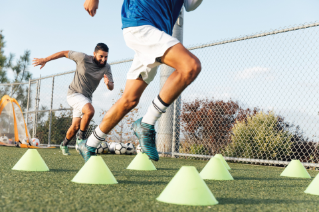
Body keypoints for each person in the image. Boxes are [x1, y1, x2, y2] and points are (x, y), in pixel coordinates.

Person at [79, 0, 203, 162]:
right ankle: (147, 123)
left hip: (157, 33)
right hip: (140, 23)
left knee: (129, 100)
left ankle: (89, 143)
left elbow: (190, 5)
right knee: (190, 66)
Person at [32, 43, 114, 156]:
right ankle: (81, 141)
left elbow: (111, 87)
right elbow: (64, 53)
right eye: (101, 56)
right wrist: (45, 59)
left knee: (75, 126)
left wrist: (107, 83)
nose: (103, 59)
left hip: (86, 98)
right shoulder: (83, 58)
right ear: (94, 54)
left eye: (106, 57)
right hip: (74, 94)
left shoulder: (106, 67)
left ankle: (64, 144)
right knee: (90, 111)